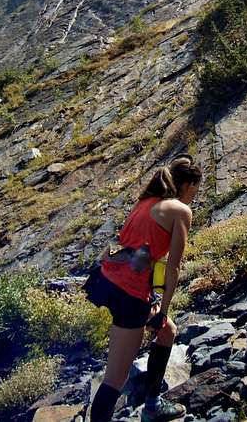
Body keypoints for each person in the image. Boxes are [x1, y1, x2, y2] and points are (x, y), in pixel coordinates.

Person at [85, 155, 202, 422]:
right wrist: (164, 308)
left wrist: (156, 306)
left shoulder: (146, 201)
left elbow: (136, 250)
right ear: (187, 184)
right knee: (116, 376)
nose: (194, 196)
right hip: (129, 293)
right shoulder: (180, 211)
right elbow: (173, 267)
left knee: (168, 331)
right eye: (195, 189)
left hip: (109, 280)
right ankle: (147, 409)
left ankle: (153, 404)